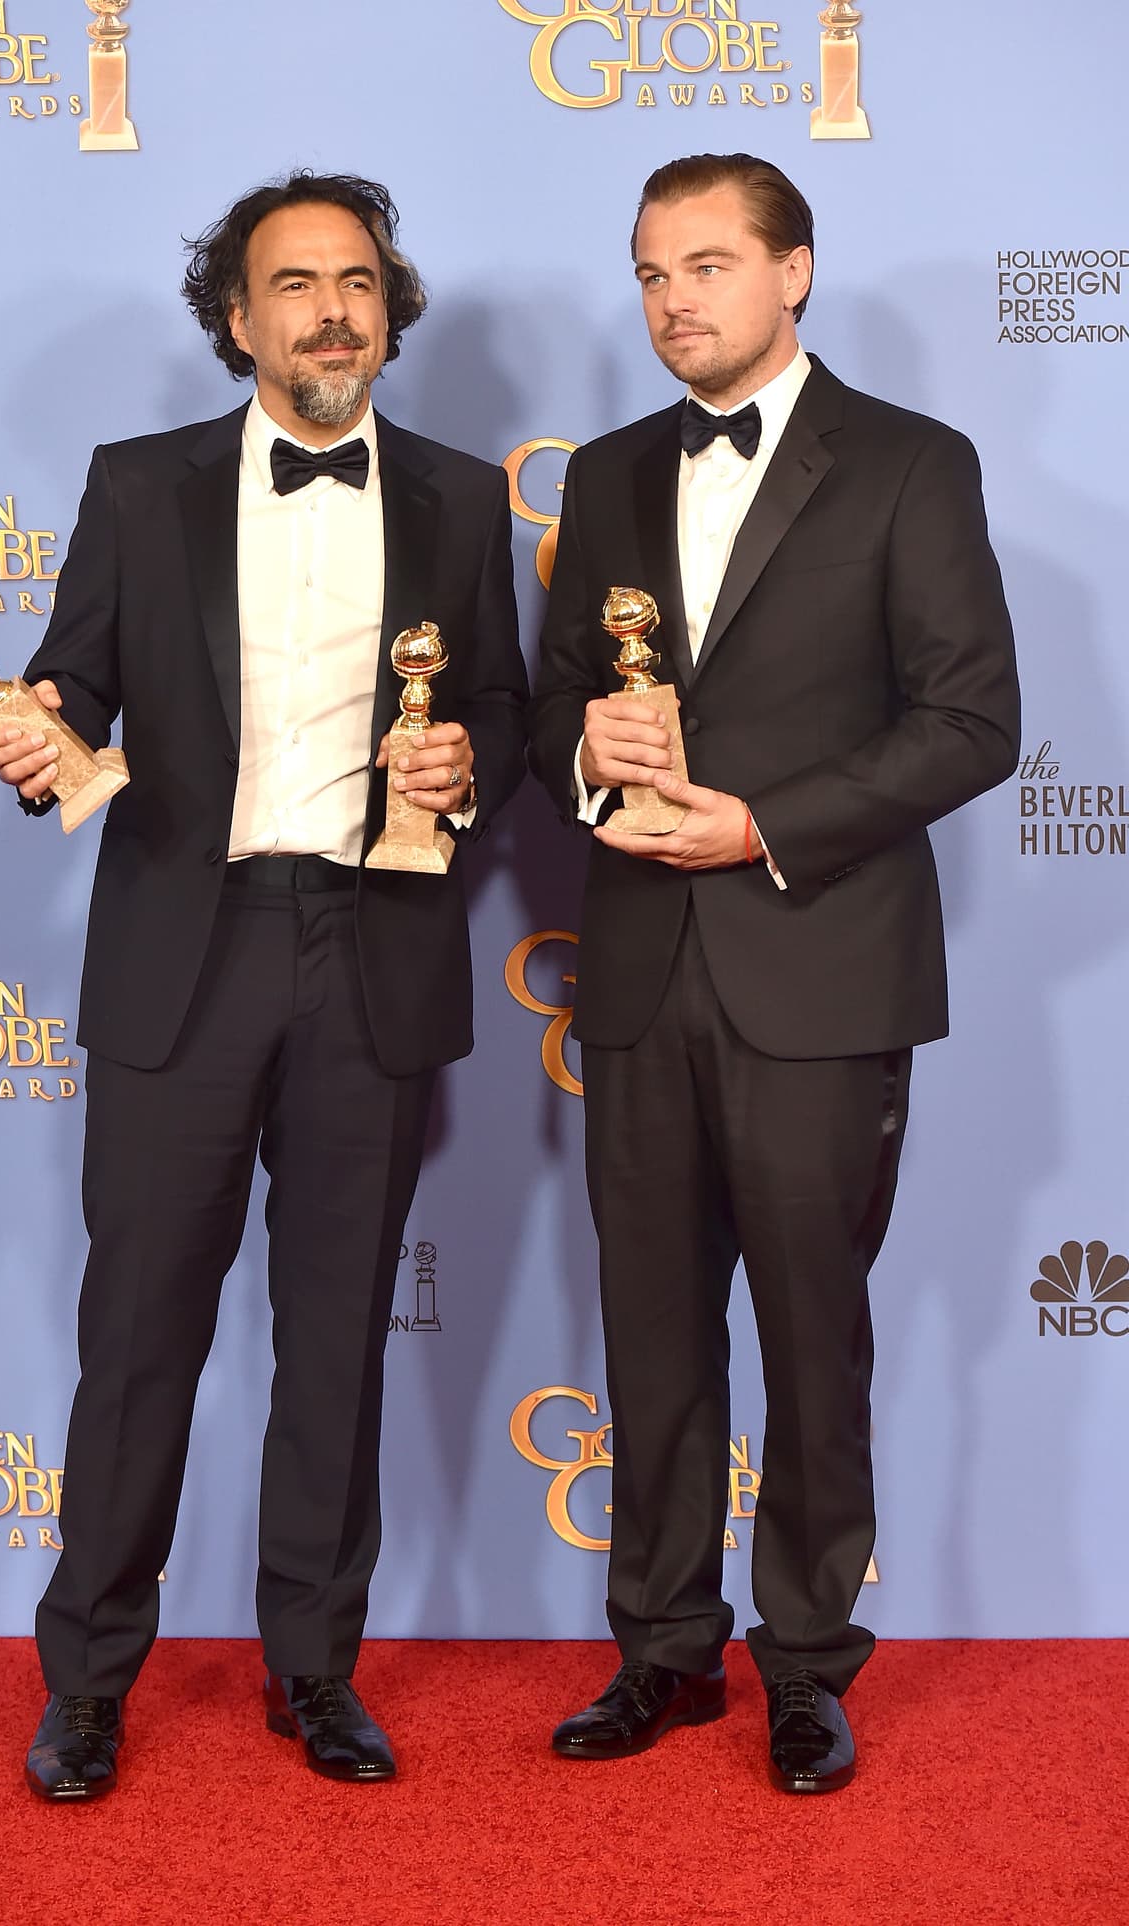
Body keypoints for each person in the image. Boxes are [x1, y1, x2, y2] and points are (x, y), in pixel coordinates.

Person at [0, 171, 526, 1799]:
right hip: (181, 957)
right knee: (138, 1333)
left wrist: (466, 755)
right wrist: (39, 726)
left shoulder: (458, 498)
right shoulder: (138, 489)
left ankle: (315, 1668)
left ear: (389, 306)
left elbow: (498, 702)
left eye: (355, 280)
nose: (329, 310)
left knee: (338, 1334)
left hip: (373, 951)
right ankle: (85, 1684)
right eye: (293, 284)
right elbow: (74, 671)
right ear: (238, 319)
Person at [528, 152, 1019, 1792]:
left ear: (794, 272)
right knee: (652, 1338)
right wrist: (593, 757)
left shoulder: (909, 463)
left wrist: (761, 824)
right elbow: (553, 716)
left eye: (713, 266)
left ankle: (806, 1661)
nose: (678, 300)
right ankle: (661, 1649)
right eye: (654, 271)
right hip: (642, 976)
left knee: (816, 1340)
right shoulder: (599, 476)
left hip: (819, 966)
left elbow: (969, 723)